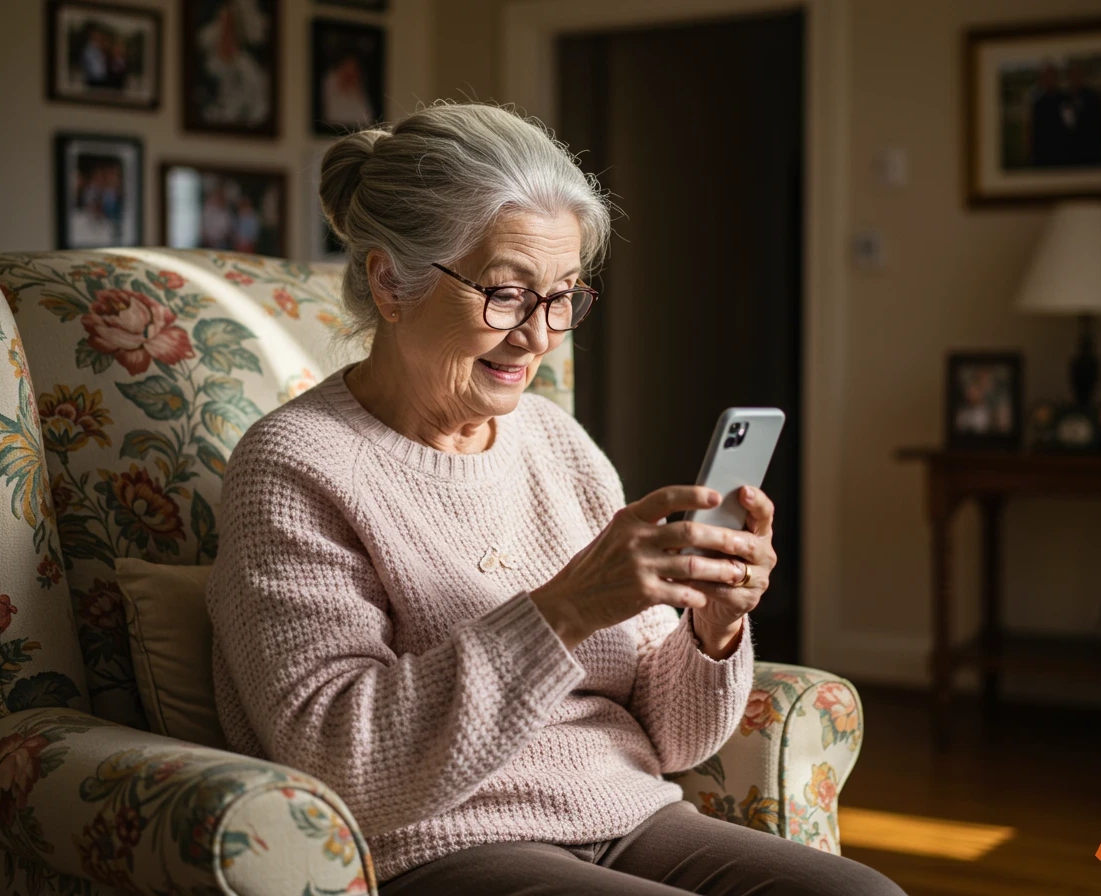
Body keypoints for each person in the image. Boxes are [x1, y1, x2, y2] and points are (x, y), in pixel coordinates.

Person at [206, 102, 905, 896]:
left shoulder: (554, 442)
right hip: (444, 846)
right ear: (389, 283)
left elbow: (672, 740)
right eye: (506, 294)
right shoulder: (296, 466)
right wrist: (565, 609)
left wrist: (714, 627)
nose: (539, 335)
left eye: (564, 296)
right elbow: (339, 759)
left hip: (631, 815)